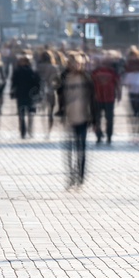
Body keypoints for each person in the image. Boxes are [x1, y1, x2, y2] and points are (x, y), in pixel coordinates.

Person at [57, 52, 96, 188]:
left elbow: (93, 99)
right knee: (69, 149)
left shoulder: (86, 78)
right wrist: (61, 112)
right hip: (69, 116)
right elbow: (60, 96)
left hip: (84, 117)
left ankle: (80, 175)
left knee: (81, 148)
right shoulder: (64, 77)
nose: (73, 65)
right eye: (71, 62)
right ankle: (71, 175)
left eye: (76, 62)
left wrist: (94, 119)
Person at [91, 56, 121, 144]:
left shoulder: (112, 71)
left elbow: (117, 84)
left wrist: (119, 94)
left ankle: (108, 135)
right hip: (98, 98)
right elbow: (91, 84)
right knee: (97, 118)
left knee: (109, 118)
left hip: (109, 98)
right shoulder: (95, 71)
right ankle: (99, 135)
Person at [10, 55, 40, 139]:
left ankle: (23, 131)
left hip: (21, 94)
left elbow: (14, 83)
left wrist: (12, 92)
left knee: (21, 113)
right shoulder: (33, 70)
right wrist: (37, 93)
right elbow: (38, 83)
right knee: (31, 113)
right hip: (31, 95)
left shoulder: (18, 70)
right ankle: (30, 130)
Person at [36, 50, 60, 136]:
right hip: (50, 91)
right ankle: (49, 130)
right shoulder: (54, 67)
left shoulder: (38, 67)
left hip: (40, 91)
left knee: (42, 112)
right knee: (50, 112)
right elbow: (56, 81)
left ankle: (43, 129)